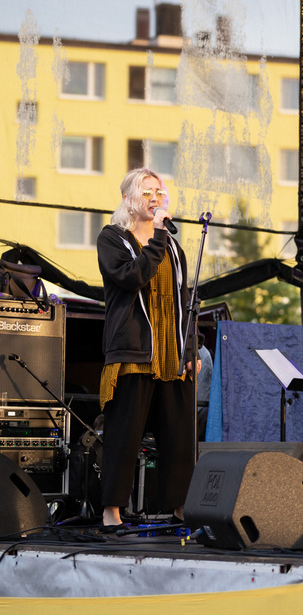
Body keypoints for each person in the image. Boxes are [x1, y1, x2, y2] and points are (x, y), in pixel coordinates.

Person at [96, 167, 197, 530]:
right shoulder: (112, 238)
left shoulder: (172, 246)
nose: (155, 198)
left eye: (159, 191)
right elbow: (132, 276)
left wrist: (190, 350)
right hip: (133, 351)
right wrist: (157, 237)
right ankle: (111, 511)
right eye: (146, 192)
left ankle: (180, 508)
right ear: (128, 199)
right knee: (124, 437)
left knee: (179, 438)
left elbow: (187, 301)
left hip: (171, 353)